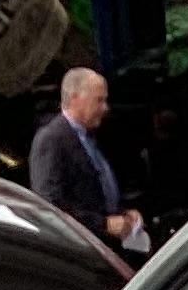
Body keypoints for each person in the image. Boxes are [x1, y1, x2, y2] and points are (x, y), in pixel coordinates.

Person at [29, 68, 146, 254]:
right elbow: (49, 206)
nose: (105, 108)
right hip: (77, 251)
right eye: (99, 100)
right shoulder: (52, 139)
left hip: (108, 247)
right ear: (75, 98)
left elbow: (97, 188)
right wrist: (102, 224)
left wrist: (123, 213)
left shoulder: (94, 135)